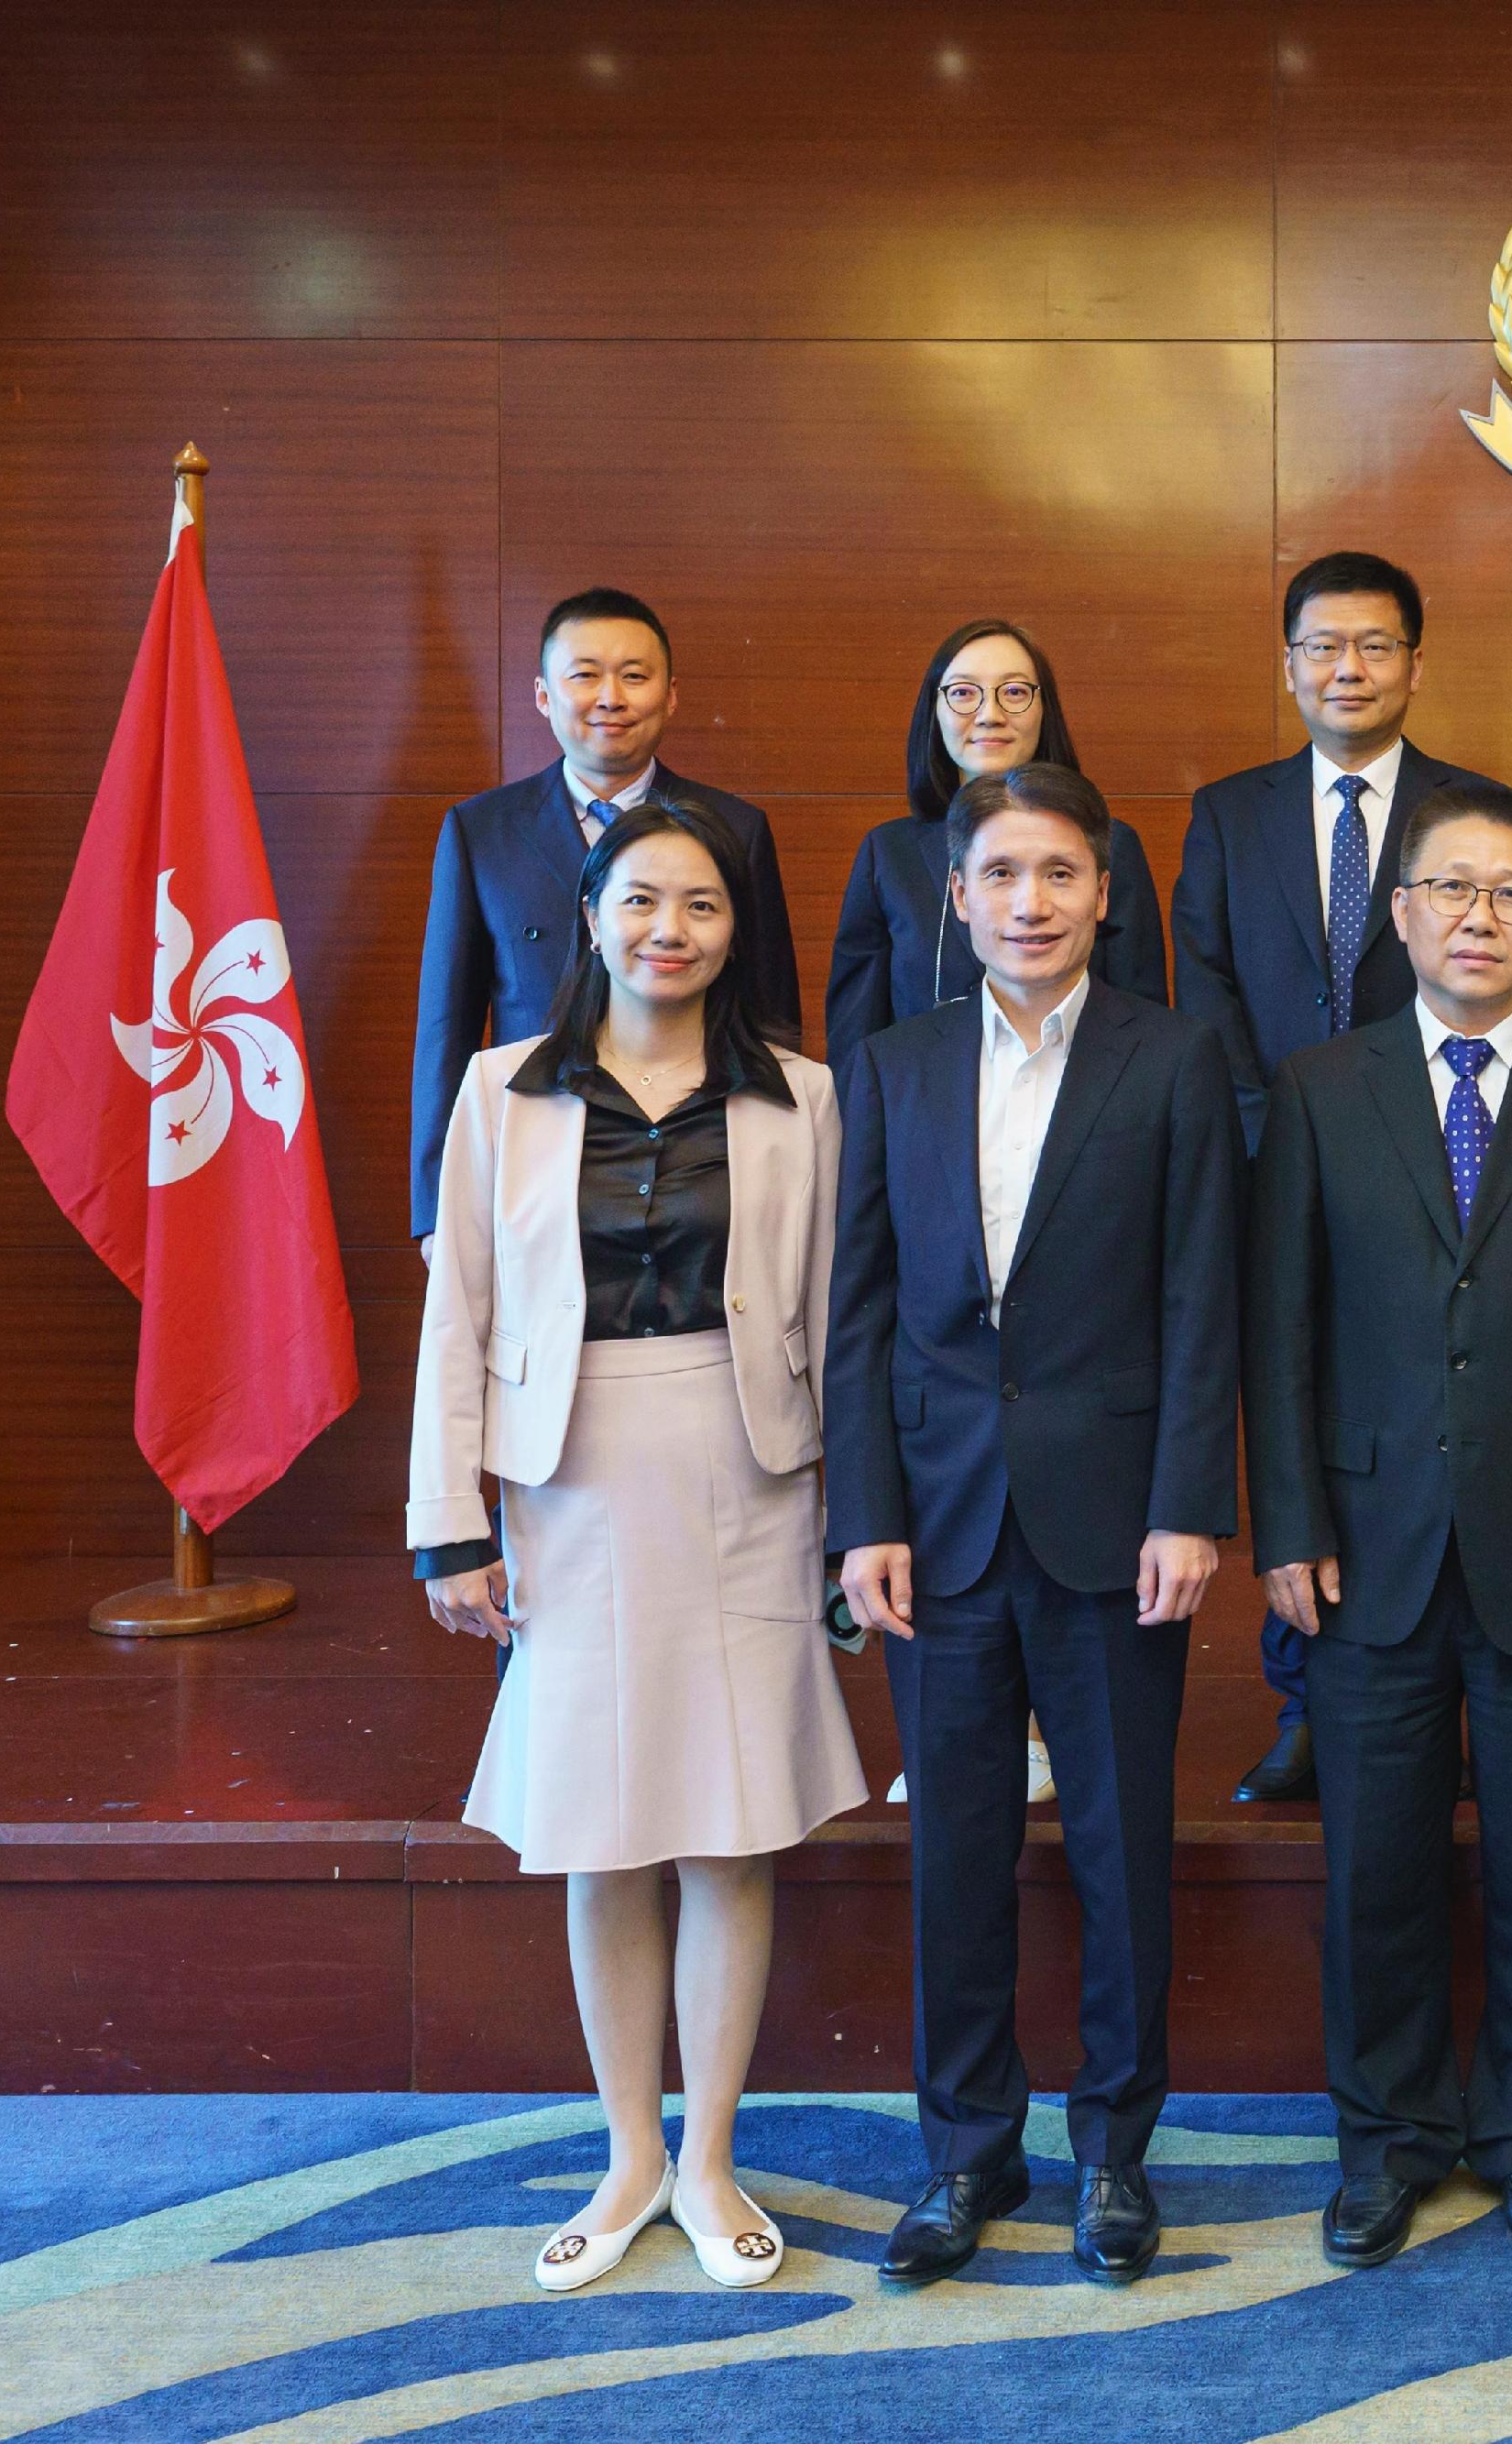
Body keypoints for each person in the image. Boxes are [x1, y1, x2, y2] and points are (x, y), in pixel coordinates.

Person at [407, 802, 863, 2293]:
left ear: (738, 930)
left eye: (704, 905)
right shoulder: (500, 1089)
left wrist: (858, 1522)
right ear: (588, 916)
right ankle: (627, 2154)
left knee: (730, 1826)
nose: (671, 927)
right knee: (601, 1832)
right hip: (571, 1485)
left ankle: (714, 2153)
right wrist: (450, 1524)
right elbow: (458, 1315)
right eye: (642, 900)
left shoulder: (800, 1092)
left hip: (751, 1480)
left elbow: (837, 1325)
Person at [1244, 779, 1512, 2273]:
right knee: (1375, 1870)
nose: (1480, 915)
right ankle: (1386, 2141)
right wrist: (1287, 1519)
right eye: (1452, 888)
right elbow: (1279, 1329)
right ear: (1404, 913)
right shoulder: (1319, 1088)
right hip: (1362, 1549)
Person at [826, 764, 1242, 2290]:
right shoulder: (893, 1063)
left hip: (1118, 1523)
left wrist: (1196, 1501)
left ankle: (1117, 2153)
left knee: (1124, 1847)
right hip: (933, 1527)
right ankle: (966, 2153)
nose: (1032, 900)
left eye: (1062, 872)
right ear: (957, 894)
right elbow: (857, 1312)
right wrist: (861, 1514)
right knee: (958, 1851)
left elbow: (1206, 1296)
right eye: (1003, 873)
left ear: (1104, 893)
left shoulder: (1173, 1058)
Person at [1174, 552, 1512, 1802]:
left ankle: (1460, 1690)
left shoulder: (1471, 809)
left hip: (1436, 1179)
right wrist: (1278, 1131)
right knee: (1295, 1406)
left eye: (1375, 645)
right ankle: (1305, 1697)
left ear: (1417, 663)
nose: (1348, 668)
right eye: (1323, 646)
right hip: (1268, 1157)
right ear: (1289, 664)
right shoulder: (1231, 812)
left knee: (1430, 1408)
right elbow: (1201, 993)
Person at [414, 588, 799, 1249]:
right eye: (585, 674)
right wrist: (434, 1206)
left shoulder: (736, 828)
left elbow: (769, 1016)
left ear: (671, 694)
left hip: (694, 1159)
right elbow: (446, 1029)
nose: (610, 697)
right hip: (533, 1145)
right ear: (544, 694)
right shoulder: (482, 831)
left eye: (634, 675)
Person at [825, 619, 1168, 1059]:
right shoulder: (888, 855)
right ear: (936, 710)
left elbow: (1142, 1023)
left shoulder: (1110, 843)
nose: (990, 714)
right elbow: (855, 1042)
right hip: (924, 1113)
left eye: (1014, 692)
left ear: (1046, 710)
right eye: (964, 693)